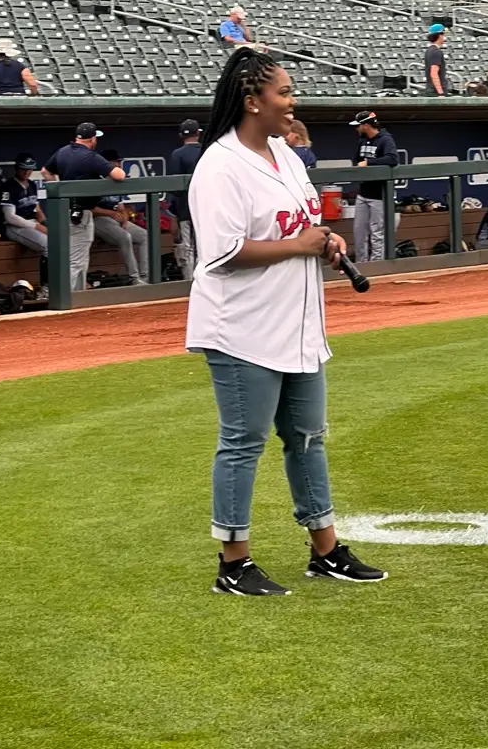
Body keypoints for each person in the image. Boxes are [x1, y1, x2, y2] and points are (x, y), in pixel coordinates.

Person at [186, 47, 386, 596]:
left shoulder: (287, 155)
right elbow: (222, 252)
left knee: (306, 437)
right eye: (284, 92)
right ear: (252, 101)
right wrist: (298, 244)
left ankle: (325, 550)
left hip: (297, 322)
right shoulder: (219, 165)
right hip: (241, 327)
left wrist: (325, 241)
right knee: (243, 441)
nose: (293, 102)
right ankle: (234, 562)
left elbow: (302, 226)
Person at [41, 122, 127, 291]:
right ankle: (65, 299)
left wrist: (61, 189)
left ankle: (77, 297)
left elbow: (45, 171)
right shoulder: (91, 157)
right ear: (92, 138)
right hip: (80, 213)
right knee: (76, 260)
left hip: (63, 211)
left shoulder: (63, 151)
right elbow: (120, 174)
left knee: (75, 257)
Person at [92, 150, 149, 286]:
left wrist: (124, 218)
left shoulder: (116, 181)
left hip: (115, 219)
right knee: (125, 237)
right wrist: (110, 213)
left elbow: (122, 207)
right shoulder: (95, 180)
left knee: (144, 235)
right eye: (116, 161)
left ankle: (145, 276)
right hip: (98, 220)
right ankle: (133, 278)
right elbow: (91, 209)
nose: (119, 164)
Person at [350, 110, 399, 262]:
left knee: (377, 234)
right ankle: (361, 265)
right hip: (363, 193)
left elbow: (392, 159)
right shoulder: (362, 141)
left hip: (379, 195)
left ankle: (376, 267)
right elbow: (357, 159)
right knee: (359, 232)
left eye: (358, 126)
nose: (356, 129)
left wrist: (369, 163)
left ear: (366, 125)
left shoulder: (385, 139)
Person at [0, 152, 48, 297]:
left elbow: (37, 209)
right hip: (15, 227)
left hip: (31, 223)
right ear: (16, 168)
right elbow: (10, 217)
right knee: (48, 245)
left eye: (30, 169)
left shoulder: (32, 185)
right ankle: (46, 289)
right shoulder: (9, 187)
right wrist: (38, 227)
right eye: (23, 169)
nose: (27, 172)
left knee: (60, 241)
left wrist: (46, 225)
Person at [169, 118, 203, 281]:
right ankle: (205, 280)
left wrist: (174, 212)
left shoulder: (177, 154)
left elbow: (175, 187)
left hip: (185, 209)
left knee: (188, 248)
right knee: (203, 246)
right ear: (198, 133)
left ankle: (191, 282)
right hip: (205, 208)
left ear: (181, 135)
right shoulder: (206, 150)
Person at [424, 23, 448, 96]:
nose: (444, 37)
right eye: (443, 34)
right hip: (435, 92)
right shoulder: (436, 51)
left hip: (432, 90)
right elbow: (434, 73)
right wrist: (440, 93)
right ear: (439, 36)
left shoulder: (430, 50)